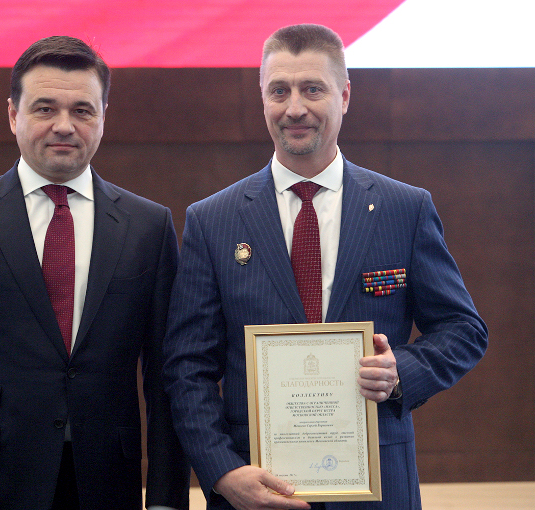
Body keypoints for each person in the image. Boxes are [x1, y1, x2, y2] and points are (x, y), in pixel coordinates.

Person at [162, 24, 487, 510]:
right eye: (279, 91)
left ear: (345, 95)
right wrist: (223, 472)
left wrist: (403, 371)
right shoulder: (213, 220)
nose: (295, 108)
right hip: (255, 490)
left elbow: (464, 330)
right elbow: (188, 366)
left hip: (378, 487)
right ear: (263, 99)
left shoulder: (405, 208)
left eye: (312, 89)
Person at [0, 36, 190, 510]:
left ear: (103, 117)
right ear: (13, 115)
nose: (64, 126)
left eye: (83, 111)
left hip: (105, 481)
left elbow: (166, 375)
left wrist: (168, 498)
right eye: (45, 108)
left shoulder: (149, 226)